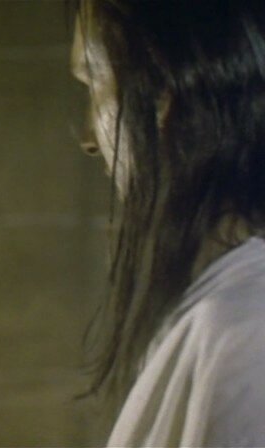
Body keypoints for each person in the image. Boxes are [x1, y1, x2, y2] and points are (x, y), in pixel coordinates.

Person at [71, 0, 265, 446]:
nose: (88, 139)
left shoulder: (244, 334)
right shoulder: (227, 319)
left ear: (162, 89)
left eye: (94, 82)